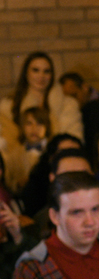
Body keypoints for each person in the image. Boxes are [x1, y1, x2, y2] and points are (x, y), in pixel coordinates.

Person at [2, 52, 83, 192]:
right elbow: (6, 147)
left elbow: (72, 142)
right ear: (26, 73)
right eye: (35, 70)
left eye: (46, 71)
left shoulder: (68, 105)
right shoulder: (8, 106)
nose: (41, 76)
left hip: (59, 174)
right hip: (19, 177)